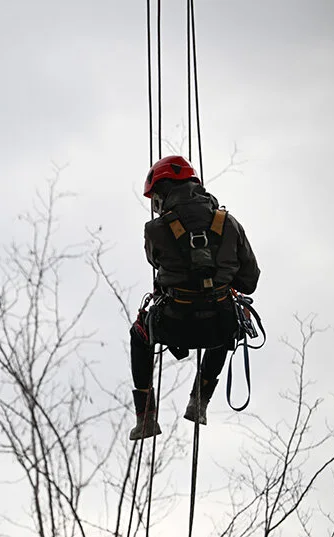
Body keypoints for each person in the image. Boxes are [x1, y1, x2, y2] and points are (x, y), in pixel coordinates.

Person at [128, 155, 260, 441]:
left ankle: (146, 417)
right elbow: (249, 282)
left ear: (162, 194)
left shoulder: (155, 230)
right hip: (216, 326)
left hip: (174, 323)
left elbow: (155, 262)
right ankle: (200, 402)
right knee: (228, 320)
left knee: (139, 334)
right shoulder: (230, 224)